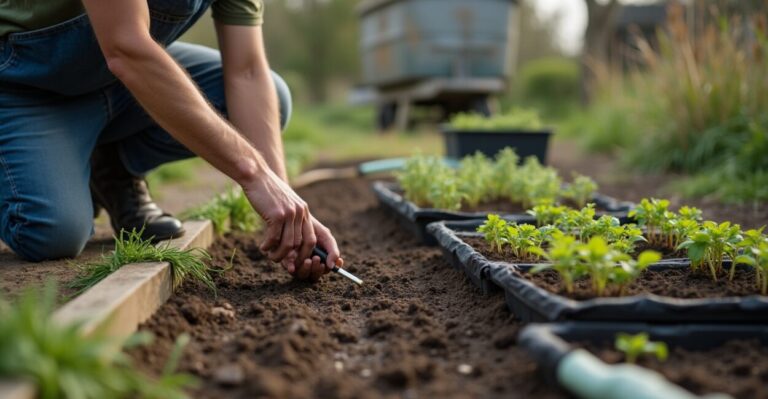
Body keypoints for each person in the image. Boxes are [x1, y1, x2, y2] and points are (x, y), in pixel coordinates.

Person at [0, 0, 342, 281]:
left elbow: (248, 73)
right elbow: (125, 46)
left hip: (118, 78)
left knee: (272, 97)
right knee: (50, 231)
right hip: (25, 80)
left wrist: (287, 214)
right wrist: (255, 173)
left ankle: (111, 165)